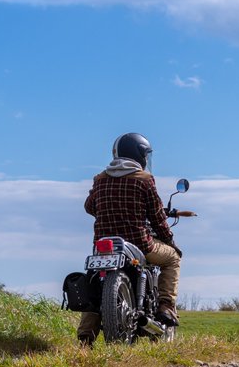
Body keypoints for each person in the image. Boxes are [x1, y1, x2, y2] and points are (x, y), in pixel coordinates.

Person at [77, 132, 182, 346]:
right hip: (140, 244)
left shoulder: (100, 178)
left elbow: (89, 207)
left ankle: (85, 338)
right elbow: (157, 217)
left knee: (96, 280)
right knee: (173, 258)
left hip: (104, 247)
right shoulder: (144, 180)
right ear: (140, 154)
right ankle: (165, 306)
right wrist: (170, 241)